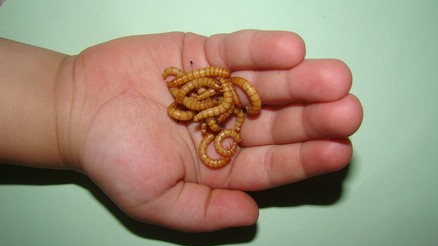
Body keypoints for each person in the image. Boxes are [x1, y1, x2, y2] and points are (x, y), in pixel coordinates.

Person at [0, 30, 363, 232]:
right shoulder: (203, 97)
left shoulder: (215, 101)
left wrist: (62, 96)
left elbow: (233, 108)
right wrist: (66, 100)